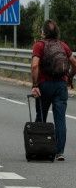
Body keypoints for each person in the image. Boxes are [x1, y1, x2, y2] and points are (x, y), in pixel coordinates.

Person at [31, 20, 76, 161]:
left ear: (43, 32)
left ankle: (40, 147)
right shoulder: (63, 45)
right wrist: (69, 77)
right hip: (61, 86)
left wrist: (35, 85)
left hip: (44, 85)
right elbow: (74, 63)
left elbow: (34, 66)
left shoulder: (39, 45)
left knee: (41, 117)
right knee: (60, 119)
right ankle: (59, 152)